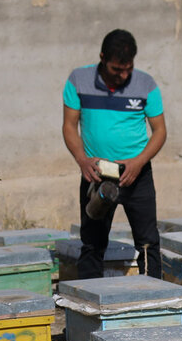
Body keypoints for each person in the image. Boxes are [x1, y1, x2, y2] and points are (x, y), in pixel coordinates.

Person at [62, 29, 166, 278]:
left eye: (128, 68)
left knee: (147, 242)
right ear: (102, 58)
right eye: (117, 69)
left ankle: (155, 300)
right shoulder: (78, 80)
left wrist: (139, 162)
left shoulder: (146, 85)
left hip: (136, 174)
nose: (123, 75)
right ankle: (90, 305)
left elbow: (160, 131)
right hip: (96, 175)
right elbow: (69, 125)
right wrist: (82, 160)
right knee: (92, 243)